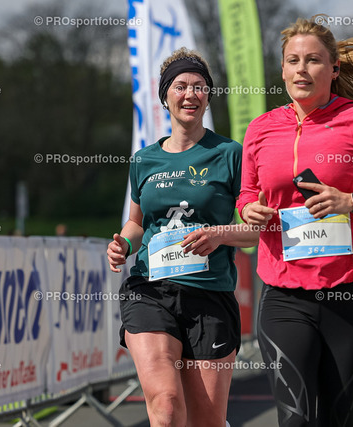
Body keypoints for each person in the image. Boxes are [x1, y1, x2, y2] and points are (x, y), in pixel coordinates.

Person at [238, 15, 353, 426]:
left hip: (348, 292)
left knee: (338, 421)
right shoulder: (260, 129)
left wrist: (351, 201)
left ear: (334, 68)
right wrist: (249, 208)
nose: (302, 69)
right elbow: (247, 194)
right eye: (293, 60)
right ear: (282, 69)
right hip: (284, 294)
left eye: (314, 60)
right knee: (295, 419)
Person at [107, 47, 257, 426]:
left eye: (199, 86)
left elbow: (253, 233)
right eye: (181, 86)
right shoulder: (144, 160)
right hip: (150, 290)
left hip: (210, 296)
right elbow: (136, 223)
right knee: (167, 405)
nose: (191, 94)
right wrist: (124, 244)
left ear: (208, 96)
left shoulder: (230, 154)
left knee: (206, 421)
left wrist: (219, 234)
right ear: (165, 96)